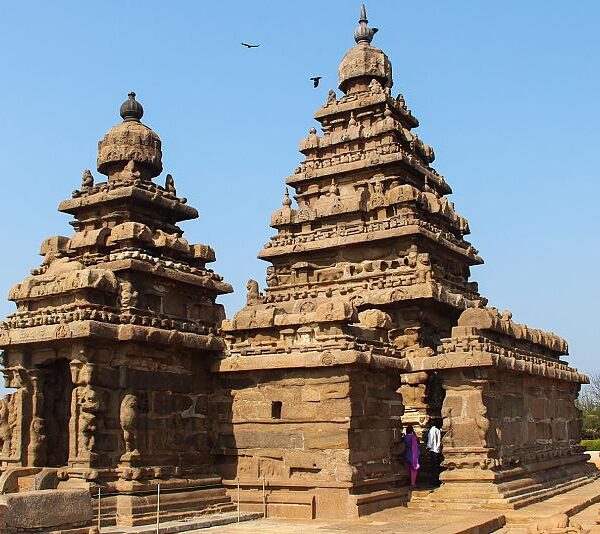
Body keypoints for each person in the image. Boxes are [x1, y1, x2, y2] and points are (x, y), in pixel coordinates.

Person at [426, 420, 443, 484]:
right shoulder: (438, 430)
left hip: (433, 450)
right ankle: (437, 479)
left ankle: (434, 481)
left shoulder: (432, 430)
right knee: (437, 465)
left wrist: (428, 448)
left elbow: (430, 440)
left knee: (433, 466)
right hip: (437, 450)